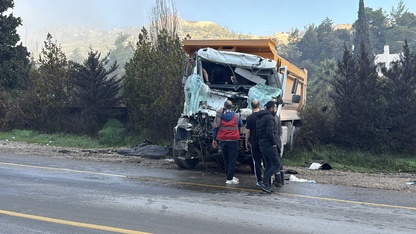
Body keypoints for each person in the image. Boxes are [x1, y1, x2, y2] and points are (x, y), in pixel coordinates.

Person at [212, 100, 243, 185]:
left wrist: (214, 139)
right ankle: (229, 178)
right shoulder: (236, 115)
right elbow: (241, 123)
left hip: (223, 140)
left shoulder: (219, 116)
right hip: (233, 140)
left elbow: (215, 128)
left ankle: (229, 176)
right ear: (232, 106)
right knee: (232, 159)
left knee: (226, 158)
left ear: (224, 106)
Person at [256, 101, 282, 193]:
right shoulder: (270, 118)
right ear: (271, 108)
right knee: (277, 164)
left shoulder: (260, 117)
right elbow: (270, 132)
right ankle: (264, 181)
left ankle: (267, 185)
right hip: (269, 145)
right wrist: (274, 143)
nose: (275, 110)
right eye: (275, 108)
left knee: (268, 165)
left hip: (262, 144)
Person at [245, 99, 263, 187]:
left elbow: (247, 132)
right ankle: (268, 180)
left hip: (254, 142)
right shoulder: (263, 117)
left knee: (257, 162)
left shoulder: (249, 118)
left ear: (251, 107)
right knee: (266, 161)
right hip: (264, 142)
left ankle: (259, 181)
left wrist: (246, 142)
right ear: (259, 106)